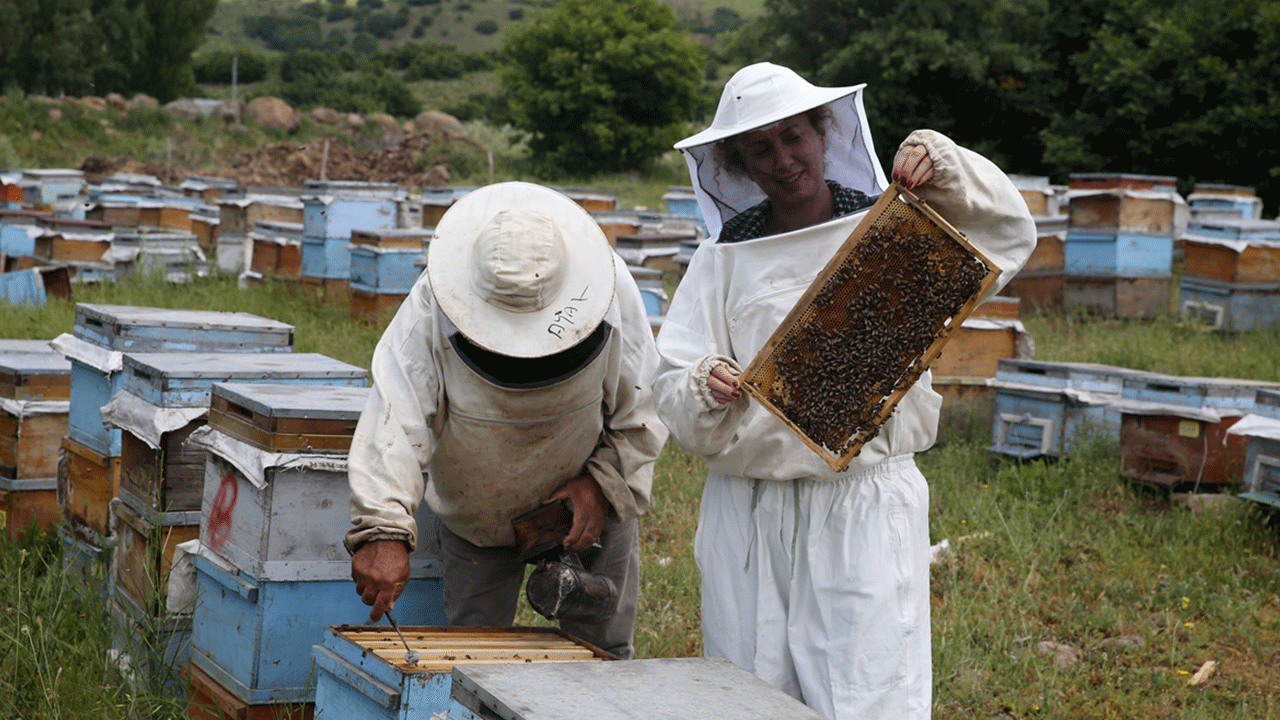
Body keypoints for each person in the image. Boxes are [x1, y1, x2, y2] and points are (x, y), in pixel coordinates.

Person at [652, 62, 1036, 719]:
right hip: (750, 512)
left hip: (864, 501)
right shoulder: (723, 258)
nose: (783, 159)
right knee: (750, 695)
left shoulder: (894, 229)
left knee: (867, 694)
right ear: (738, 163)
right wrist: (703, 382)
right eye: (760, 148)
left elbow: (1005, 233)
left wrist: (940, 162)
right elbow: (673, 384)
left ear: (825, 131)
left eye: (794, 137)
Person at [346, 181, 668, 660]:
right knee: (473, 657)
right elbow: (394, 418)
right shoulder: (431, 304)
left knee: (601, 655)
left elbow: (642, 407)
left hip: (588, 500)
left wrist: (600, 485)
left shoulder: (610, 288)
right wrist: (383, 529)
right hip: (479, 504)